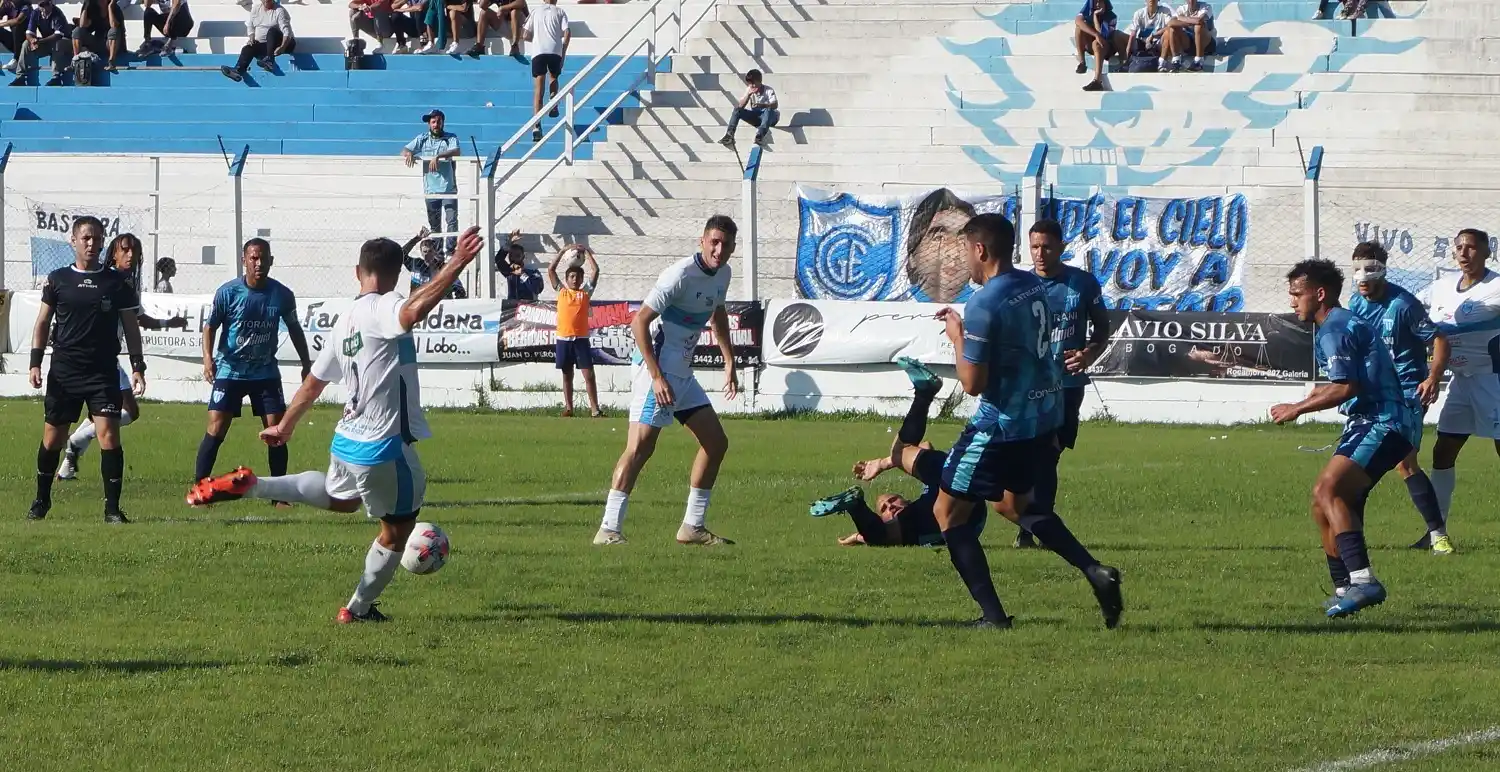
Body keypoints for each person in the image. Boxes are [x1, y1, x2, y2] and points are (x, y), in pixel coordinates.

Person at [187, 228, 484, 624]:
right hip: (385, 444)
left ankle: (256, 485)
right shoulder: (384, 305)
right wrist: (457, 263)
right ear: (394, 276)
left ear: (356, 271)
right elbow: (410, 312)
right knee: (398, 530)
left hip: (347, 439)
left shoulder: (345, 319)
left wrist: (285, 426)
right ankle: (358, 609)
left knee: (341, 498)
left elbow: (313, 383)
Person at [930, 213, 1122, 629]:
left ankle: (994, 618)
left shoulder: (985, 302)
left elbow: (972, 384)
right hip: (1041, 418)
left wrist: (957, 336)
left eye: (966, 251)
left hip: (999, 426)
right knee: (1012, 504)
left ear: (980, 249)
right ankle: (1095, 572)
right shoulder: (1034, 286)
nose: (966, 261)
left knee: (948, 513)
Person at [1271, 259, 1417, 618]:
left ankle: (1364, 582)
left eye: (1297, 294)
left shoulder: (1334, 326)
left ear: (1319, 294)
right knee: (1324, 504)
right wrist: (1308, 398)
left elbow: (1345, 386)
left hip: (1384, 422)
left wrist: (1297, 409)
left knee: (1327, 491)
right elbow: (1347, 380)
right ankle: (1344, 589)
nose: (1292, 302)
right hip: (1370, 421)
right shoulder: (1339, 324)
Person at [593, 215, 740, 547]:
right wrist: (657, 377)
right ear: (702, 241)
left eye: (726, 244)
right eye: (714, 241)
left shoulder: (723, 274)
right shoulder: (679, 275)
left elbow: (717, 314)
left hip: (682, 374)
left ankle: (692, 528)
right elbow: (639, 322)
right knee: (640, 447)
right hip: (656, 371)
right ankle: (608, 529)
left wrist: (729, 360)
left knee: (716, 443)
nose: (719, 249)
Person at [26, 217, 145, 523]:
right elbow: (42, 323)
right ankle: (41, 500)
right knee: (52, 439)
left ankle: (112, 509)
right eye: (86, 238)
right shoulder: (57, 280)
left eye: (96, 239)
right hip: (65, 372)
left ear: (103, 242)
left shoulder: (116, 283)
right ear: (74, 241)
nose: (91, 244)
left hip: (102, 372)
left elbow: (132, 328)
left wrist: (137, 366)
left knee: (109, 436)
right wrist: (35, 362)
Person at [1008, 218, 1110, 549]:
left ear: (1061, 248)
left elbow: (1102, 329)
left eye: (1046, 246)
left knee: (1049, 453)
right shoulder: (1020, 286)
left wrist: (1088, 354)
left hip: (1067, 384)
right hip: (1029, 385)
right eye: (1034, 246)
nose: (1039, 253)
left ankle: (1035, 524)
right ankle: (1035, 525)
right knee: (1035, 454)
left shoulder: (1082, 284)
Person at [1345, 241, 1451, 555]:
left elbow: (1439, 339)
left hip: (1407, 391)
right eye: (1356, 271)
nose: (1363, 278)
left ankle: (1438, 536)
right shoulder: (1355, 304)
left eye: (1370, 270)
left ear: (1383, 270)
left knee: (1405, 463)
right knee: (1353, 464)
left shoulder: (1403, 304)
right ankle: (1352, 535)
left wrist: (1433, 376)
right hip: (1373, 393)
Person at [57, 233, 188, 480]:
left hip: (108, 358)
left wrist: (167, 321)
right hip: (96, 359)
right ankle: (75, 440)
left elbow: (139, 319)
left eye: (135, 251)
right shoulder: (109, 281)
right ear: (113, 254)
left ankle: (68, 465)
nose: (130, 255)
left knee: (100, 413)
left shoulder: (125, 283)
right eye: (125, 250)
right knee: (128, 411)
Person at [810, 358, 980, 548]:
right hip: (963, 511)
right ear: (883, 519)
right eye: (885, 509)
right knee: (900, 454)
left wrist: (886, 463)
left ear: (906, 500)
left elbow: (925, 446)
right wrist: (860, 536)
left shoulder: (926, 494)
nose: (890, 507)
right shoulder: (916, 516)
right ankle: (924, 393)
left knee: (901, 453)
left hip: (959, 486)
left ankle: (857, 507)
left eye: (892, 501)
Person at [194, 239, 312, 499]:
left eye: (263, 258)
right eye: (253, 258)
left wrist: (306, 364)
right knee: (216, 427)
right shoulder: (228, 293)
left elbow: (294, 328)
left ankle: (280, 496)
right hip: (230, 370)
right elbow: (210, 326)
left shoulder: (282, 294)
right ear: (244, 260)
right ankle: (199, 490)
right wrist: (207, 359)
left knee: (276, 431)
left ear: (271, 260)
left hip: (265, 372)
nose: (258, 264)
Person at [1423, 229, 1500, 544]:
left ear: (1486, 252)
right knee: (1443, 450)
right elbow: (1412, 313)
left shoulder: (1497, 286)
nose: (1464, 253)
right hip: (1460, 383)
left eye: (1471, 247)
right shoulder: (1440, 288)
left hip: (1492, 380)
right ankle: (1435, 531)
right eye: (1459, 248)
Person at [548, 245, 601, 418]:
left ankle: (595, 409)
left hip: (581, 339)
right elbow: (551, 269)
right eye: (572, 276)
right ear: (567, 278)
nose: (575, 280)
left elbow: (596, 271)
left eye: (578, 277)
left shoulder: (585, 293)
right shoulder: (561, 292)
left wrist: (587, 252)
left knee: (588, 374)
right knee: (567, 374)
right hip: (564, 339)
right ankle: (569, 408)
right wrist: (563, 252)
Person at [402, 109, 461, 257]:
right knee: (435, 225)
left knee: (452, 221)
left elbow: (456, 151)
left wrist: (438, 156)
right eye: (433, 122)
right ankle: (439, 253)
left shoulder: (450, 137)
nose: (436, 124)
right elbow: (405, 149)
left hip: (448, 188)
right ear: (429, 124)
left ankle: (451, 251)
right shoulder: (422, 138)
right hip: (431, 189)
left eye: (438, 121)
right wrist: (409, 153)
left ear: (443, 122)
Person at [523, 0, 568, 143]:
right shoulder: (560, 12)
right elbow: (567, 32)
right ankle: (553, 103)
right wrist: (563, 51)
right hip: (555, 49)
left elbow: (525, 35)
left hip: (539, 50)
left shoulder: (536, 11)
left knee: (539, 88)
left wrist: (536, 38)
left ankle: (536, 125)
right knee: (554, 77)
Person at [221, 0, 295, 82]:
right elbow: (250, 25)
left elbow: (286, 32)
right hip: (266, 45)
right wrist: (251, 37)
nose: (266, 1)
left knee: (272, 31)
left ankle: (269, 60)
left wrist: (282, 47)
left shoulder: (279, 11)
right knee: (248, 48)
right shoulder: (256, 9)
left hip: (285, 43)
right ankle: (238, 70)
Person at [717, 68, 778, 149]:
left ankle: (760, 136)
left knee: (768, 110)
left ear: (759, 81)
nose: (752, 86)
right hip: (757, 117)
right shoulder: (749, 89)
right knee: (737, 110)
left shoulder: (768, 90)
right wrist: (748, 95)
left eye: (754, 83)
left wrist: (762, 105)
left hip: (770, 117)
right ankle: (729, 134)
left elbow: (775, 105)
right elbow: (740, 107)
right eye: (750, 84)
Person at [401, 225, 467, 298]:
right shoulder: (416, 264)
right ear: (421, 252)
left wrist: (453, 303)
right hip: (418, 304)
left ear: (435, 252)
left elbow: (460, 290)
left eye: (430, 251)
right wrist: (417, 238)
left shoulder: (445, 268)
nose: (427, 254)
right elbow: (400, 255)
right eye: (425, 251)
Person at [1074, 0, 1125, 91]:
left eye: (1100, 2)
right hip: (1092, 45)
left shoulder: (1111, 16)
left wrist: (1095, 17)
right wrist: (1095, 35)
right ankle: (1082, 63)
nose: (1097, 5)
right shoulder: (1088, 9)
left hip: (1107, 48)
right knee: (1079, 29)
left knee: (1096, 43)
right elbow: (1078, 20)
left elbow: (1103, 37)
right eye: (1095, 2)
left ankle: (1097, 81)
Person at [72, 0, 125, 73]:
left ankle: (111, 61)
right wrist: (85, 6)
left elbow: (114, 25)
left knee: (113, 31)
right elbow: (82, 25)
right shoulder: (93, 8)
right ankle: (76, 60)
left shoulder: (115, 8)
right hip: (98, 42)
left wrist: (109, 8)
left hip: (113, 44)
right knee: (77, 31)